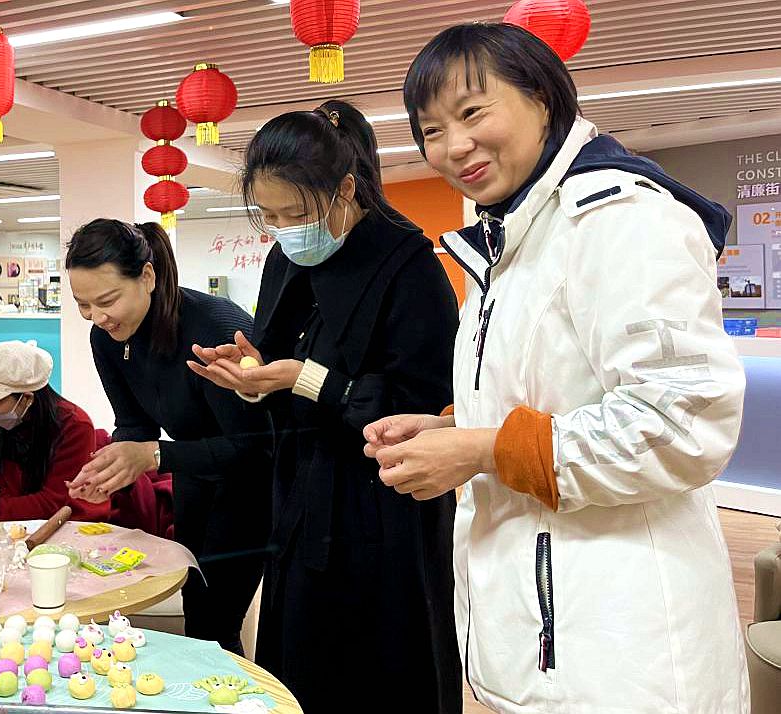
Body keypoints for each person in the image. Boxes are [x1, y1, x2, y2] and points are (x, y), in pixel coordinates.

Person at [363, 23, 749, 713]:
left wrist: (482, 449)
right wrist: (454, 429)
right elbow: (560, 389)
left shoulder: (617, 218)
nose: (453, 146)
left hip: (623, 645)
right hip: (546, 622)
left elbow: (680, 424)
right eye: (430, 131)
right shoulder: (514, 237)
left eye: (472, 112)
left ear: (542, 98)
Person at [188, 100, 461, 711]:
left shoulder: (409, 267)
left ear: (345, 189)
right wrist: (252, 376)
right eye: (270, 215)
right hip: (301, 494)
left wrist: (305, 379)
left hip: (386, 504)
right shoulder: (285, 260)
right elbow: (279, 361)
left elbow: (425, 406)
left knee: (381, 668)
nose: (285, 229)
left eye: (298, 213)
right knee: (299, 658)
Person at [64, 219, 272, 655]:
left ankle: (229, 688)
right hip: (195, 477)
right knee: (196, 606)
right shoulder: (106, 339)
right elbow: (134, 424)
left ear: (147, 277)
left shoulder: (212, 331)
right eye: (83, 304)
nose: (97, 317)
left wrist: (154, 456)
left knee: (217, 617)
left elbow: (255, 446)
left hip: (254, 484)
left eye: (107, 300)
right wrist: (112, 466)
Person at [0, 341, 108, 523]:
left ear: (27, 398)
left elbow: (55, 502)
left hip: (72, 522)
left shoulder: (75, 426)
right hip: (13, 522)